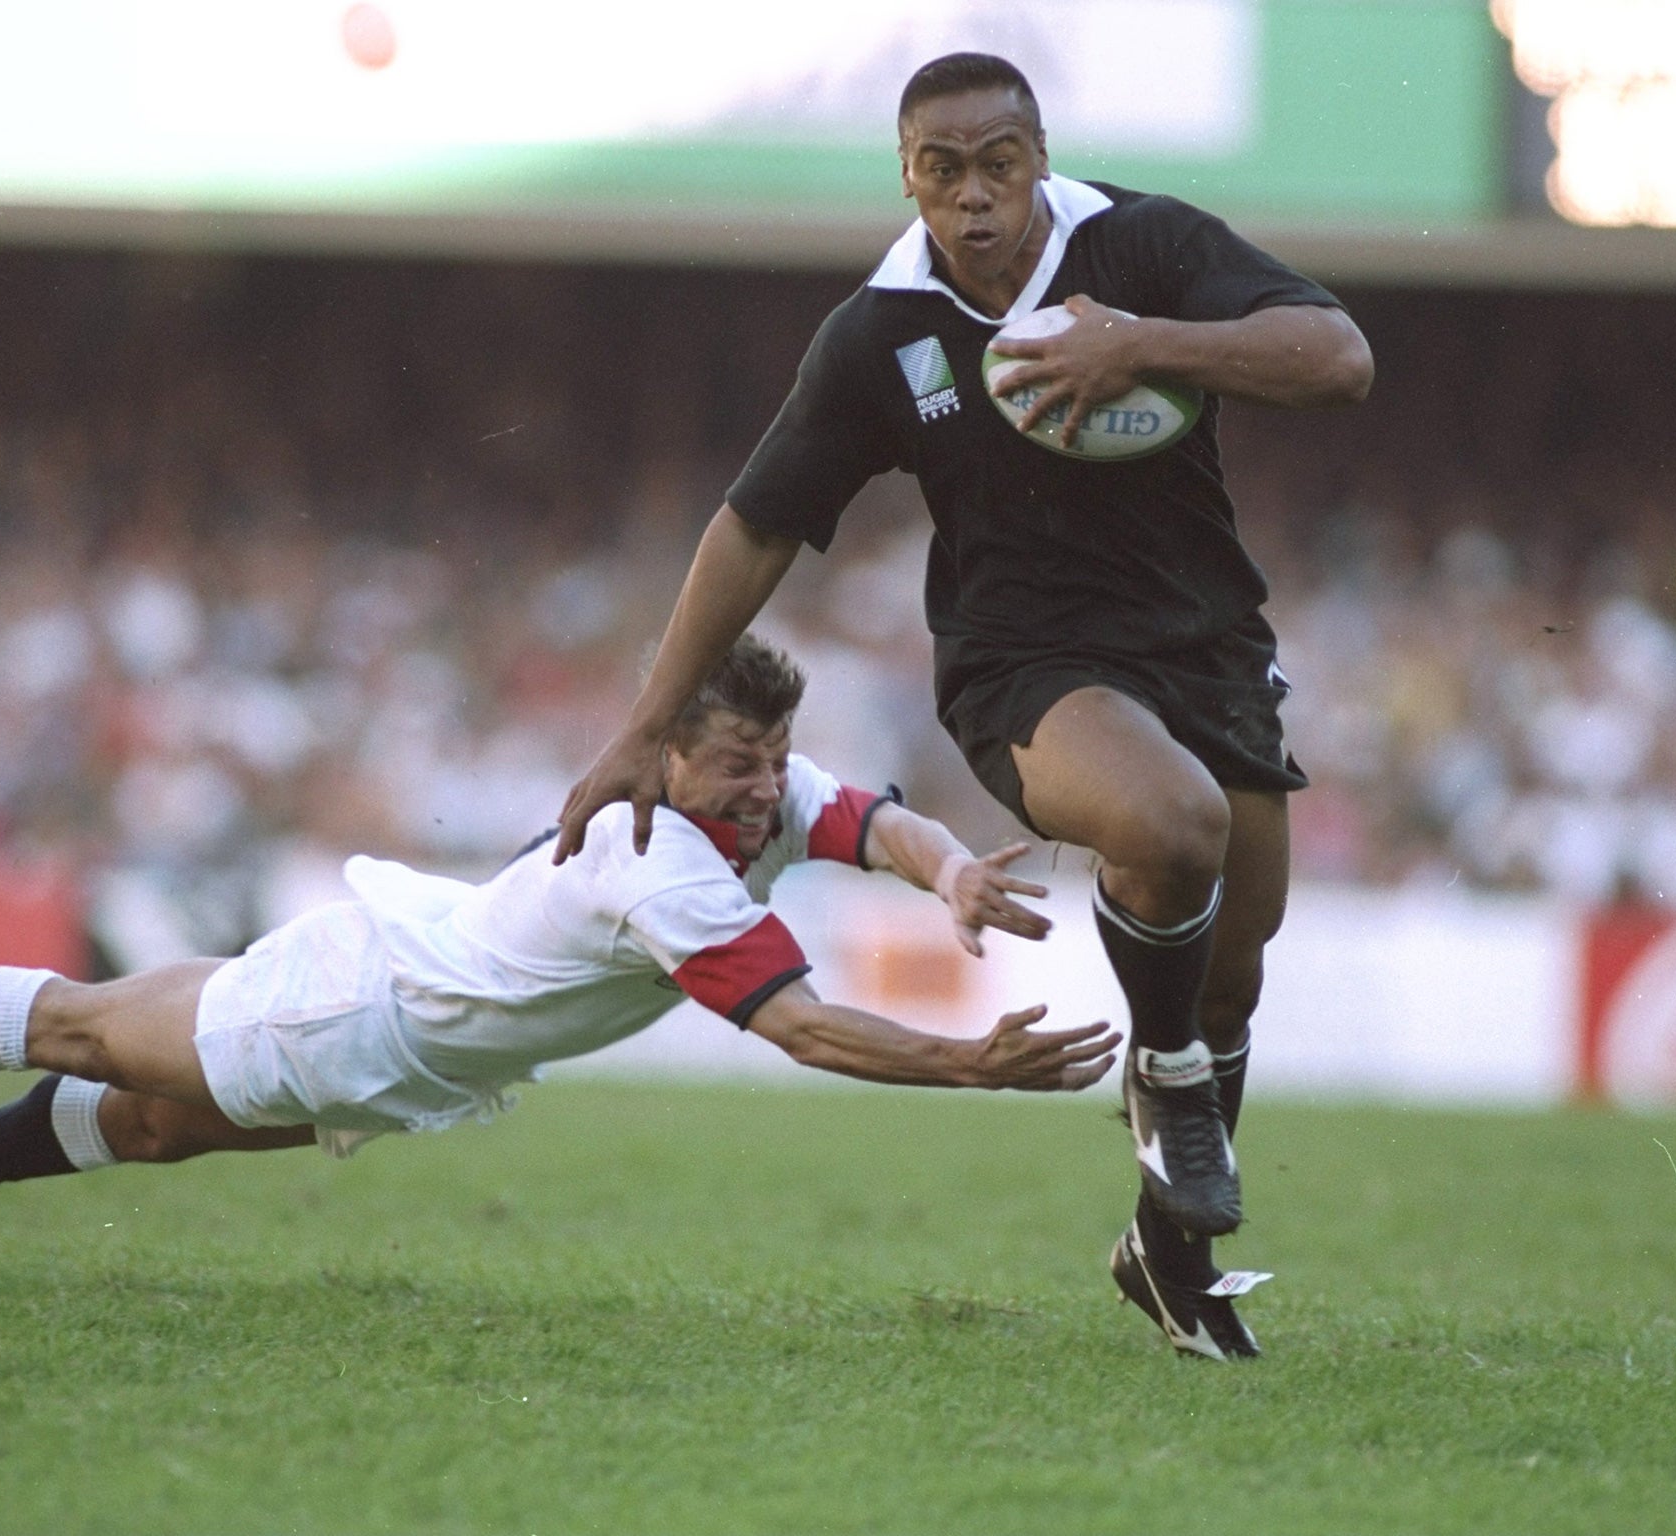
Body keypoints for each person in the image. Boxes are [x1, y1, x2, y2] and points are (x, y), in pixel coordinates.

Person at [555, 53, 1374, 1360]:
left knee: (1232, 977)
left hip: (1209, 644)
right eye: (942, 172)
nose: (975, 197)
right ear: (907, 178)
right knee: (1168, 829)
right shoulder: (883, 333)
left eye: (999, 163)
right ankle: (1164, 1091)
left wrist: (1140, 345)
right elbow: (759, 524)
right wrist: (648, 720)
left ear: (1039, 153)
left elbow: (1339, 359)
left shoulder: (1147, 244)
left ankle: (1164, 1253)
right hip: (1025, 664)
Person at [0, 634, 1118, 1284]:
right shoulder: (658, 856)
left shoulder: (750, 795)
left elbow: (872, 820)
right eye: (737, 765)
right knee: (84, 1032)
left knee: (164, 1128)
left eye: (772, 764)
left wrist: (954, 873)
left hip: (417, 1033)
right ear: (662, 752)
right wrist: (971, 1067)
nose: (765, 791)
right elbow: (802, 1029)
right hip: (363, 1006)